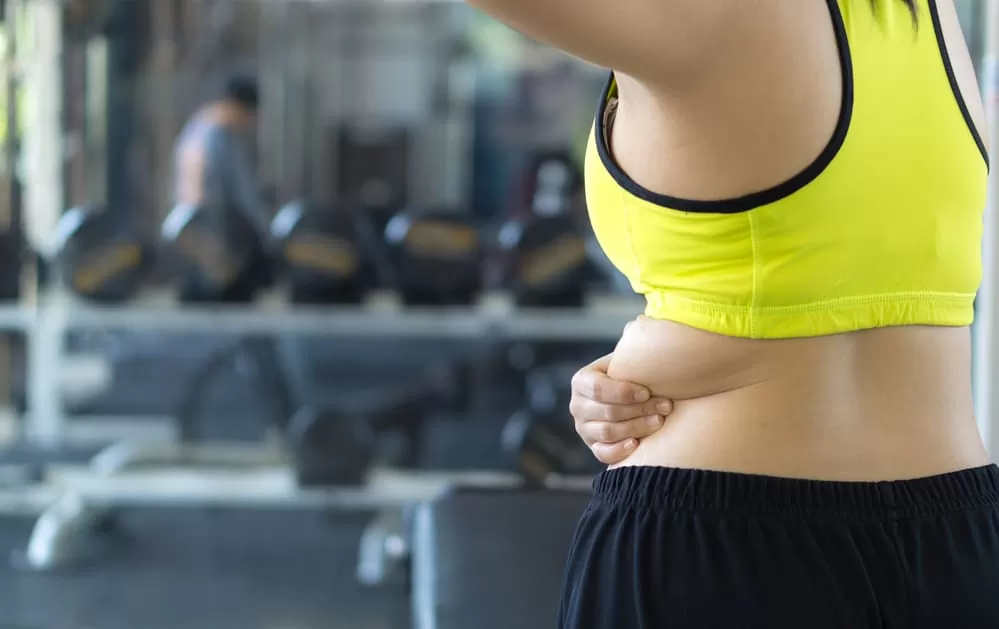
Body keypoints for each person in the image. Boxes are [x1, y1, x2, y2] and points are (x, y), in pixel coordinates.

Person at [466, 0, 996, 626]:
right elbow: (817, 284)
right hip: (958, 541)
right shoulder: (932, 22)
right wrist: (663, 354)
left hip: (720, 546)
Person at [170, 72, 271, 300]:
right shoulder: (222, 138)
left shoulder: (194, 130)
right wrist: (265, 238)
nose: (250, 122)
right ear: (238, 106)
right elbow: (245, 197)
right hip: (221, 243)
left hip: (191, 238)